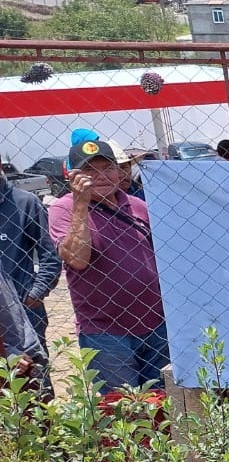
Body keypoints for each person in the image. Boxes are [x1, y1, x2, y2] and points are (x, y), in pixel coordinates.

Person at [48, 140, 167, 391]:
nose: (100, 176)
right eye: (89, 170)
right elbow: (77, 259)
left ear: (119, 170)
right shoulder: (63, 209)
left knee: (162, 405)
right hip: (105, 332)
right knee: (121, 411)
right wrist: (81, 204)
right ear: (73, 175)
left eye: (107, 167)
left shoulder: (138, 206)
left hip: (155, 325)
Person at [0, 167, 59, 358]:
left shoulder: (24, 202)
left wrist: (36, 292)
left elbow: (51, 255)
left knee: (35, 376)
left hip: (24, 309)